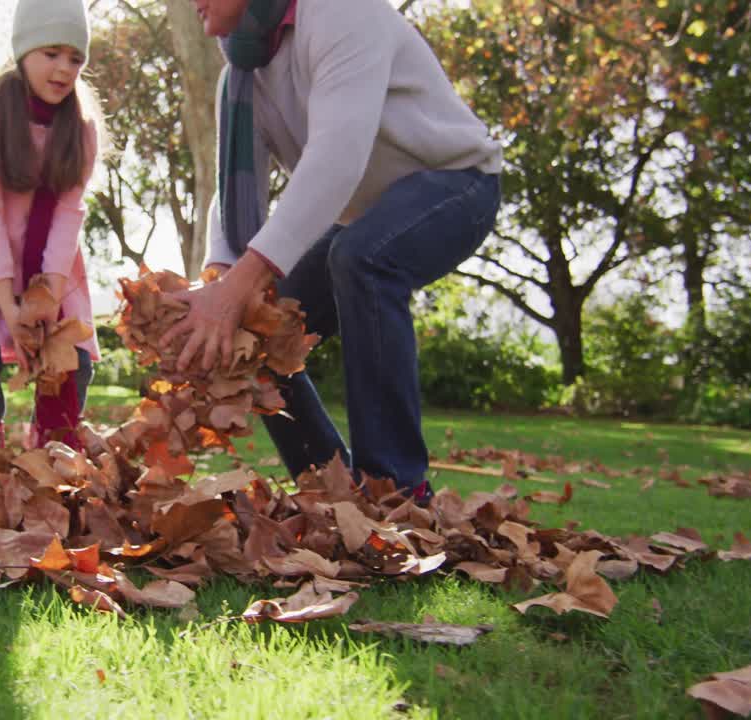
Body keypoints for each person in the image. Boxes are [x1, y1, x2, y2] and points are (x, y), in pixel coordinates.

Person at [164, 0, 504, 505]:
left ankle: (398, 493)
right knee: (259, 324)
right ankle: (330, 492)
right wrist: (221, 283)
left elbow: (336, 158)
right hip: (366, 220)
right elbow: (236, 193)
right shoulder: (240, 76)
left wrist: (239, 287)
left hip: (458, 186)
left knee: (360, 259)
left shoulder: (342, 12)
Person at [0, 0, 103, 451]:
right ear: (24, 50)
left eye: (75, 58)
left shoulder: (81, 127)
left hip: (53, 259)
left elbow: (68, 214)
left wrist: (48, 294)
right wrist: (9, 307)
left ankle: (52, 455)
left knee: (72, 362)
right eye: (51, 53)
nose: (64, 69)